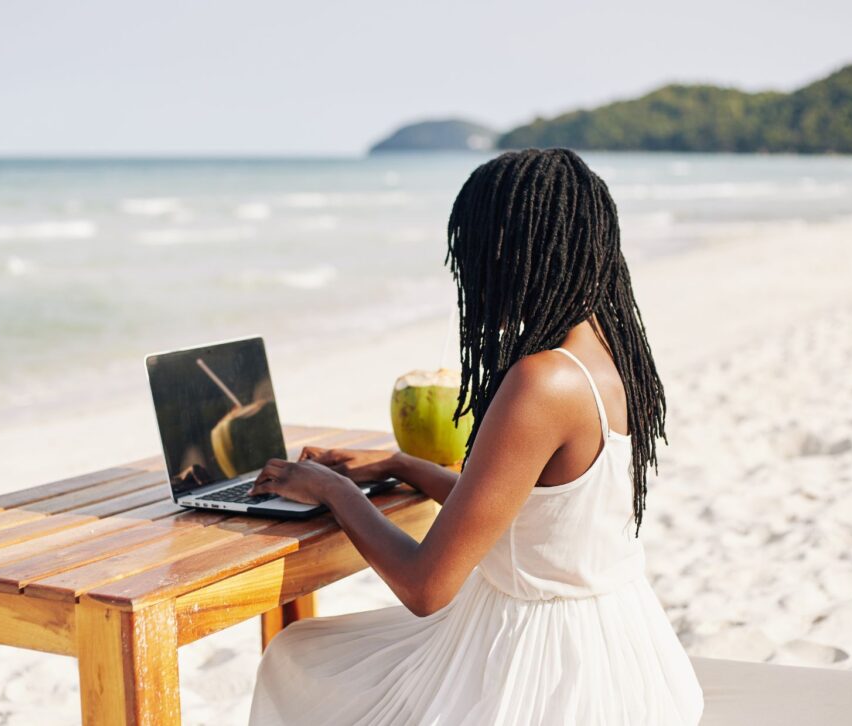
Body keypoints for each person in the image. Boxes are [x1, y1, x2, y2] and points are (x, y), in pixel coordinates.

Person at [246, 148, 704, 725]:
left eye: (472, 255)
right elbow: (527, 514)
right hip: (621, 650)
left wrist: (333, 493)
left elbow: (425, 587)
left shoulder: (542, 381)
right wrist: (400, 465)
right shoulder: (613, 357)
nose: (469, 276)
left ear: (512, 256)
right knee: (312, 652)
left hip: (542, 671)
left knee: (296, 656)